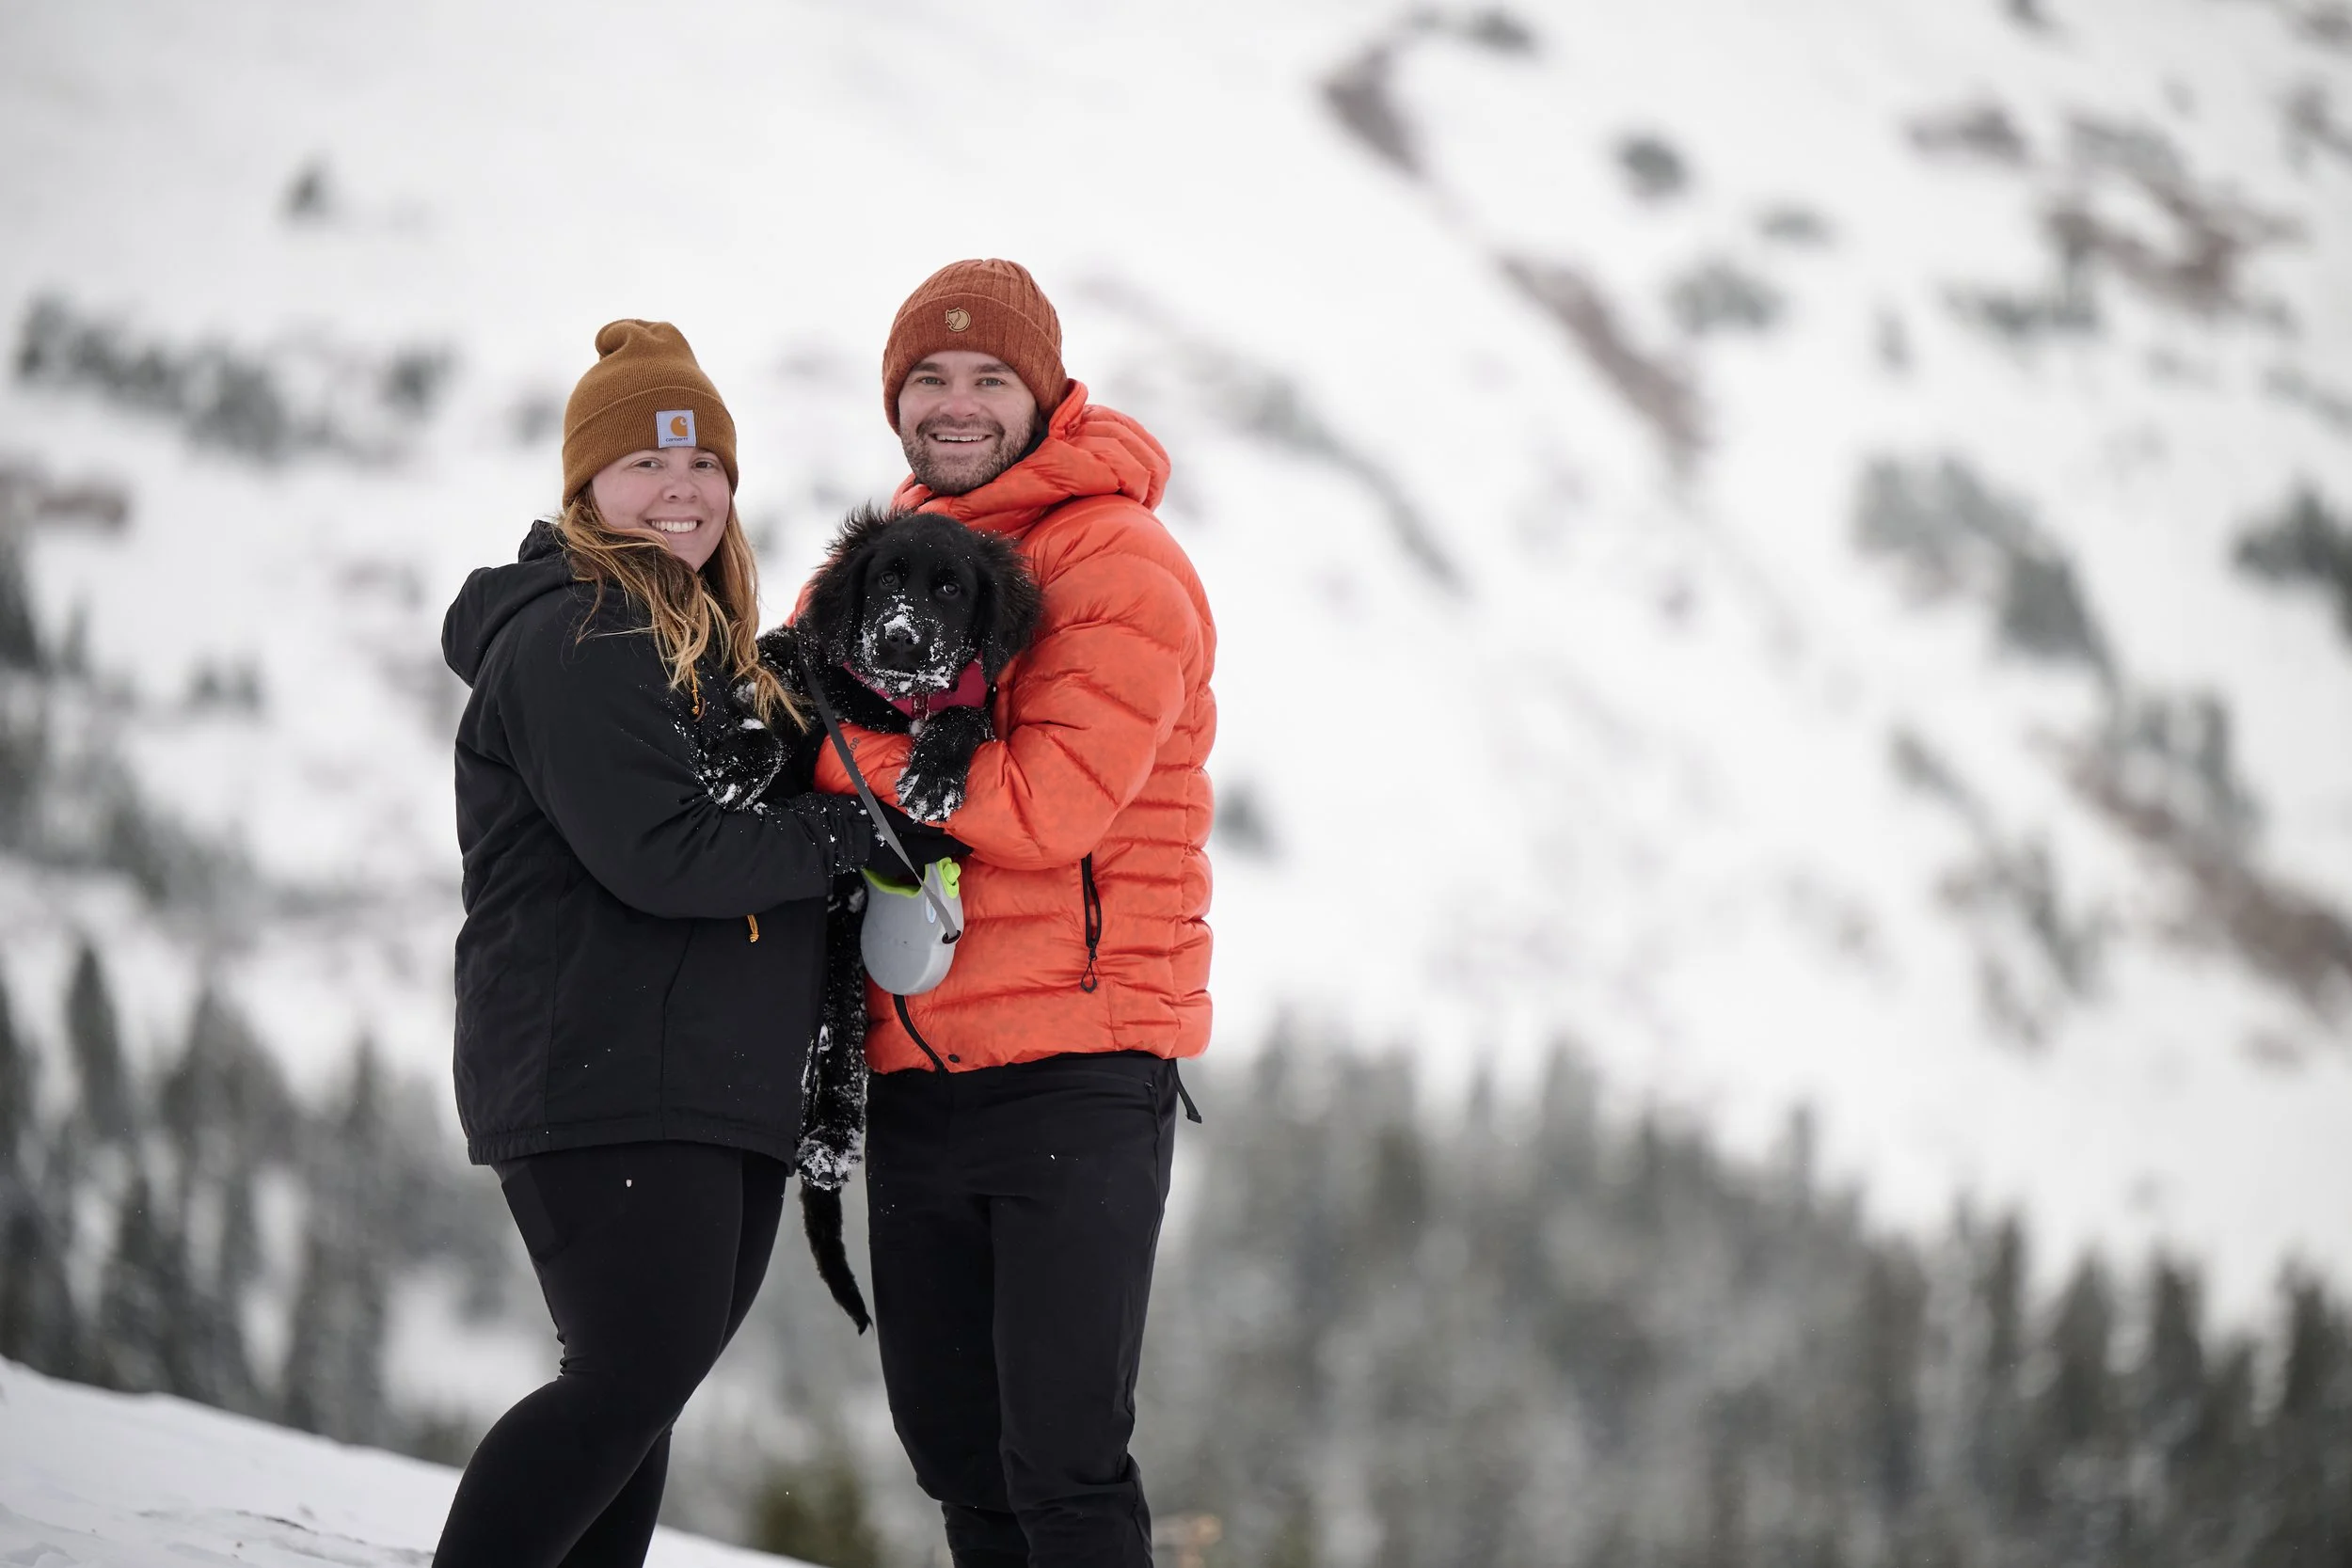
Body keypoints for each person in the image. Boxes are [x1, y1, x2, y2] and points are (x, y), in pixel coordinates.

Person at [431, 320, 938, 1568]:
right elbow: (659, 851)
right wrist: (840, 836)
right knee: (626, 1380)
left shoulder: (699, 651)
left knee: (637, 1397)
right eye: (648, 465)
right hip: (607, 1070)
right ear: (587, 486)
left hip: (696, 1080)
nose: (682, 490)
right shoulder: (583, 631)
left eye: (704, 463)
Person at [809, 260, 1217, 1568]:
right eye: (929, 377)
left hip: (1077, 1072)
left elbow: (1046, 804)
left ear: (1044, 392)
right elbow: (794, 694)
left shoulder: (1120, 561)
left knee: (1061, 1462)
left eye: (990, 377)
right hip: (916, 1069)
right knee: (959, 1456)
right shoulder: (883, 560)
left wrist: (834, 759)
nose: (958, 402)